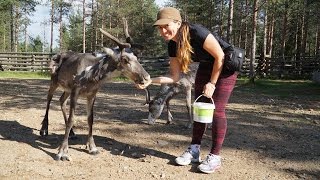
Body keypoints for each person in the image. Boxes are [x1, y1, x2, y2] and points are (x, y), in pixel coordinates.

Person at [138, 7, 238, 174]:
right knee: (199, 108)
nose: (163, 31)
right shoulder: (172, 45)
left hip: (226, 66)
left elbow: (220, 56)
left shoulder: (196, 31)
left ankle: (215, 156)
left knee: (217, 110)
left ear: (178, 23)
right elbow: (175, 77)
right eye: (160, 28)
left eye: (166, 26)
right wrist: (149, 81)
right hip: (206, 67)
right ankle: (194, 150)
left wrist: (212, 84)